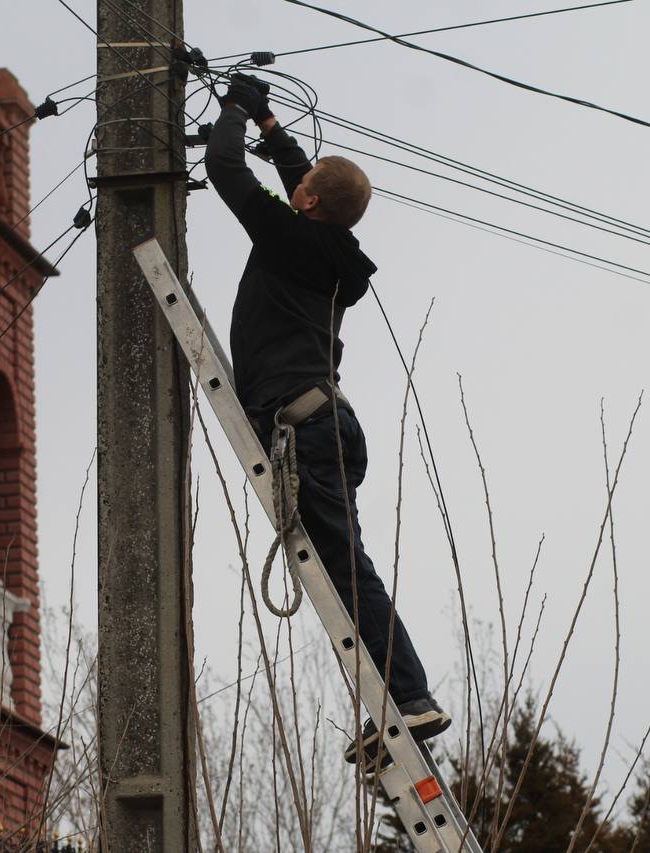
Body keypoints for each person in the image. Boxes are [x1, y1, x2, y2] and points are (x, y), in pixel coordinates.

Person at [204, 74, 450, 764]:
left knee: (346, 570)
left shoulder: (292, 238)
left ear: (308, 203)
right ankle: (400, 698)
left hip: (306, 428)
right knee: (347, 566)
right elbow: (300, 182)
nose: (294, 187)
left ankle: (409, 697)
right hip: (322, 424)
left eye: (302, 186)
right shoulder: (333, 251)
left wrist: (234, 110)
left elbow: (222, 168)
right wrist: (272, 126)